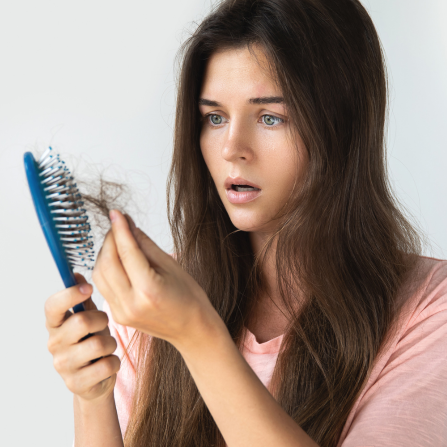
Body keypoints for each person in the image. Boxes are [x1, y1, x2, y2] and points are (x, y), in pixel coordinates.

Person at [44, 0, 447, 446]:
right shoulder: (154, 307)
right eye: (214, 117)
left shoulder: (429, 312)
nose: (232, 148)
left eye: (270, 117)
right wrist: (90, 395)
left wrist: (197, 335)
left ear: (342, 127)